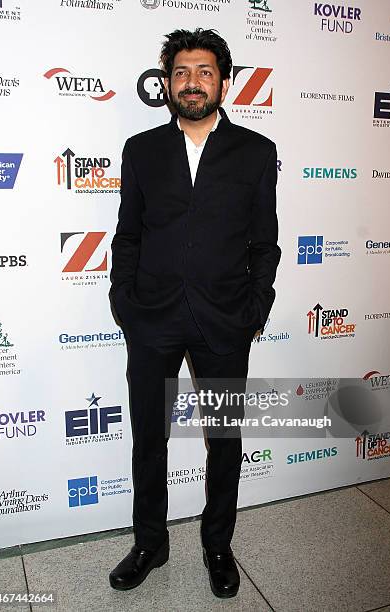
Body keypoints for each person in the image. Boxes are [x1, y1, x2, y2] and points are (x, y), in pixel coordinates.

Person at [108, 28, 281, 599]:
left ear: (224, 82)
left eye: (205, 72)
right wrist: (123, 301)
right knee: (149, 435)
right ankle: (150, 543)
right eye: (181, 72)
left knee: (224, 438)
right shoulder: (141, 150)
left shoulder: (255, 152)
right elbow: (128, 233)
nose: (192, 82)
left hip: (226, 320)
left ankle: (217, 544)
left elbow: (265, 243)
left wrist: (256, 309)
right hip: (151, 318)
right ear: (167, 83)